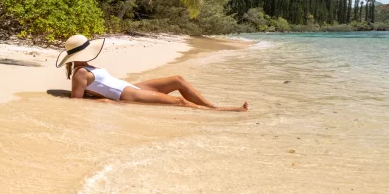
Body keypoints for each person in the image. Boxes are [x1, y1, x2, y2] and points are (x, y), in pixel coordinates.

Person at [56, 35, 248, 112]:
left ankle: (211, 106)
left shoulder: (85, 68)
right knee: (179, 102)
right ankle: (223, 111)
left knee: (177, 80)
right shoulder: (80, 72)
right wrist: (103, 101)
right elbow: (76, 102)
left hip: (129, 87)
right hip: (126, 94)